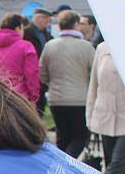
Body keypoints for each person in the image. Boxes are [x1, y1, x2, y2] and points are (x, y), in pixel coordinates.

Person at [86, 42, 125, 174]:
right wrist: (90, 116)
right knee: (117, 169)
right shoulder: (102, 48)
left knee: (117, 166)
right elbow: (94, 85)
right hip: (104, 117)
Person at [40, 10, 95, 158]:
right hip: (80, 99)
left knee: (62, 138)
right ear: (76, 24)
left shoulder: (49, 46)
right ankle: (66, 163)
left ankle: (61, 163)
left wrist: (52, 84)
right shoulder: (86, 47)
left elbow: (42, 73)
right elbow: (94, 74)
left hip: (56, 99)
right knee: (80, 137)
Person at [0, 14, 39, 104]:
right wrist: (34, 97)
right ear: (18, 28)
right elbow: (32, 74)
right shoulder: (26, 47)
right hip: (20, 101)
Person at [24, 7, 53, 116]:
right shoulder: (26, 32)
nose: (48, 22)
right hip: (31, 73)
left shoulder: (47, 34)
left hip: (42, 74)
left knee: (40, 106)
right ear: (38, 18)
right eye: (46, 18)